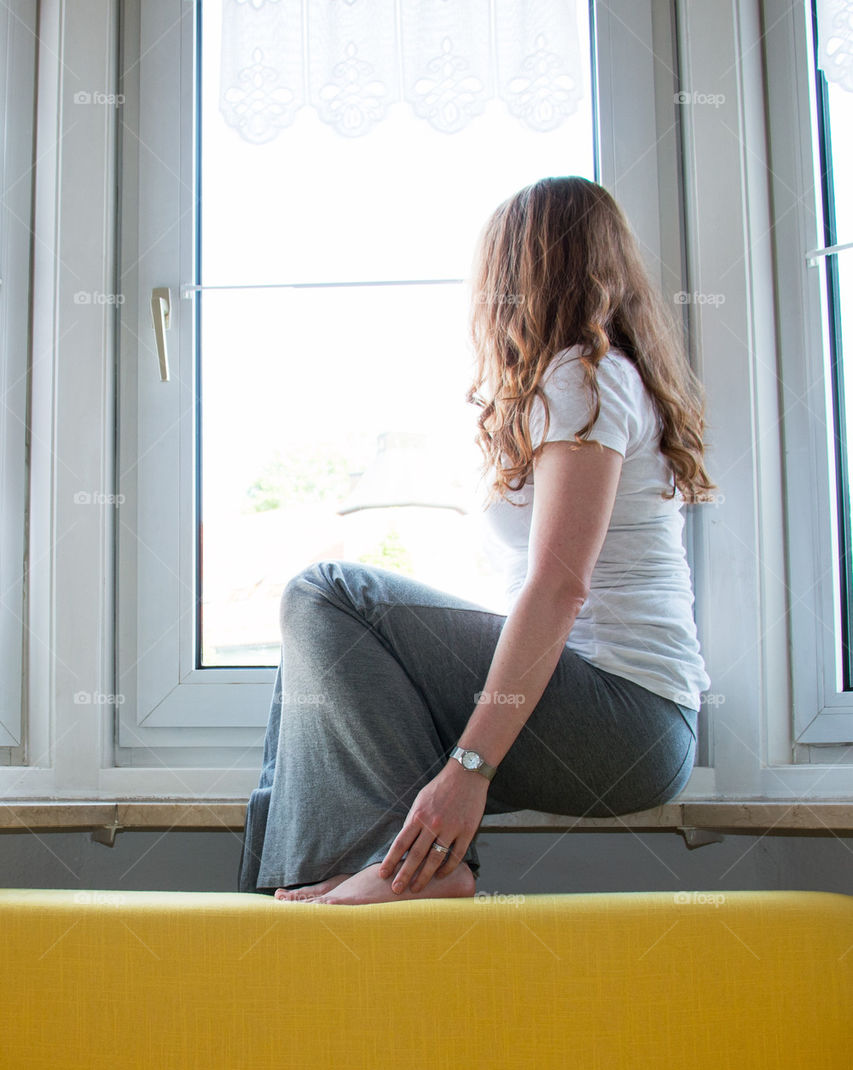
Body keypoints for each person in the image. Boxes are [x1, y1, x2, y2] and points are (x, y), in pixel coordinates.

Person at [237, 175, 715, 906]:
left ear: (514, 274)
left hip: (628, 722)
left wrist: (468, 768)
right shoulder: (587, 383)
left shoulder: (581, 380)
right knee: (308, 673)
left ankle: (404, 871)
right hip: (611, 720)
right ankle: (285, 894)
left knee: (325, 593)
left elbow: (558, 587)